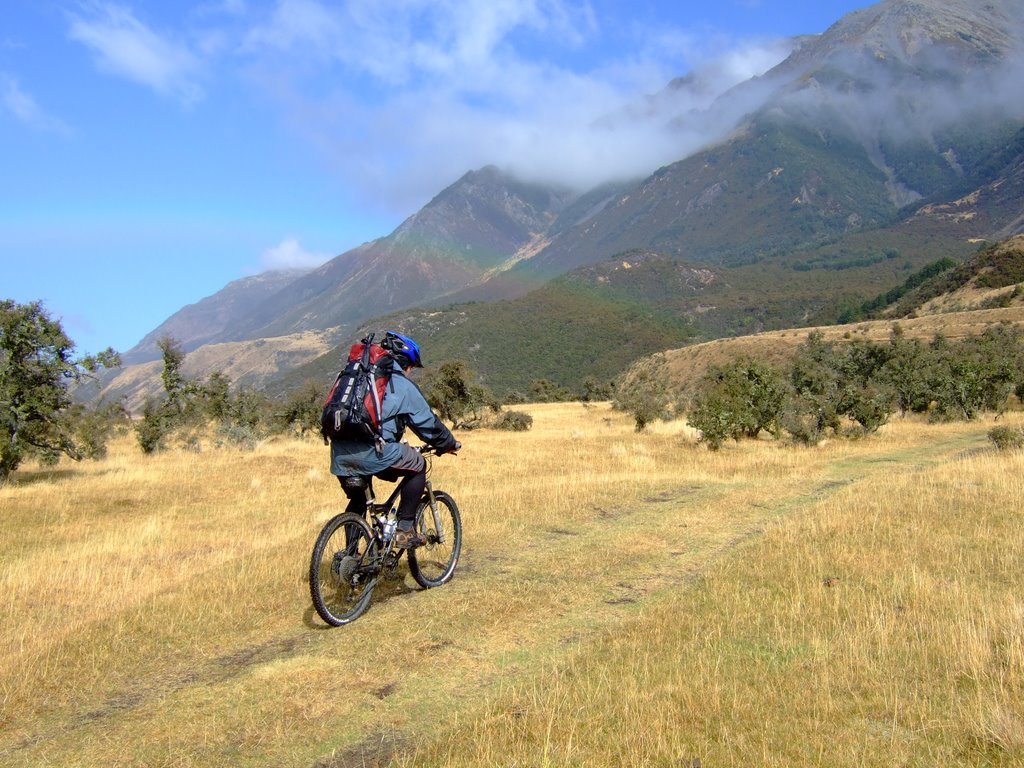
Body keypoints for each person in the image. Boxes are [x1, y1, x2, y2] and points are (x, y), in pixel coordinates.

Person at [329, 330, 460, 548]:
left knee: (359, 500)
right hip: (373, 453)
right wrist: (447, 443)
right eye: (411, 368)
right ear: (405, 364)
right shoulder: (399, 383)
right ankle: (404, 531)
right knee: (418, 465)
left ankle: (350, 556)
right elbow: (427, 423)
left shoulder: (355, 378)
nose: (410, 373)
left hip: (339, 455)